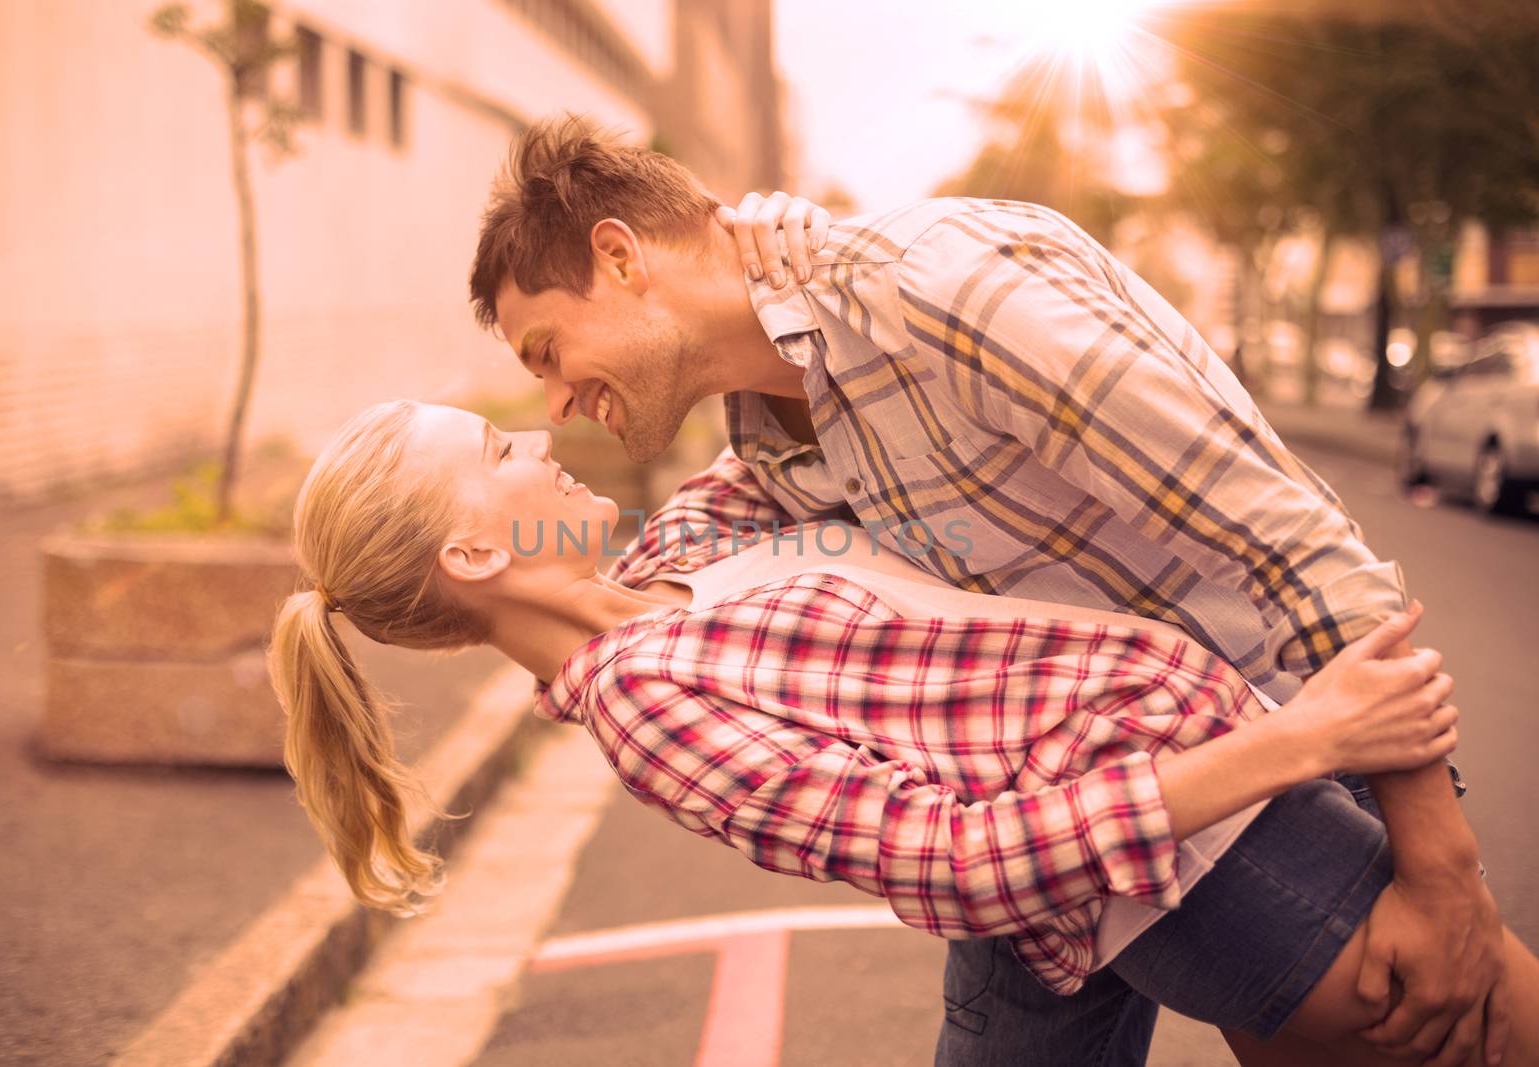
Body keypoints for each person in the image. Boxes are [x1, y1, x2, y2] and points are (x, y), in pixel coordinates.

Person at [466, 115, 1510, 1066]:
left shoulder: (935, 291)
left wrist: (1442, 866)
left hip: (1282, 766)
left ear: (618, 256)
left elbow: (1291, 539)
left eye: (548, 351)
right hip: (1105, 821)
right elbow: (642, 574)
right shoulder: (767, 434)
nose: (553, 401)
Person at [267, 398, 1539, 1067]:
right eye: (500, 447)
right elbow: (955, 859)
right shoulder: (649, 707)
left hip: (1234, 804)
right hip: (1225, 855)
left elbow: (775, 405)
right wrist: (1306, 738)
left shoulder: (674, 558)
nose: (543, 433)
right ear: (480, 550)